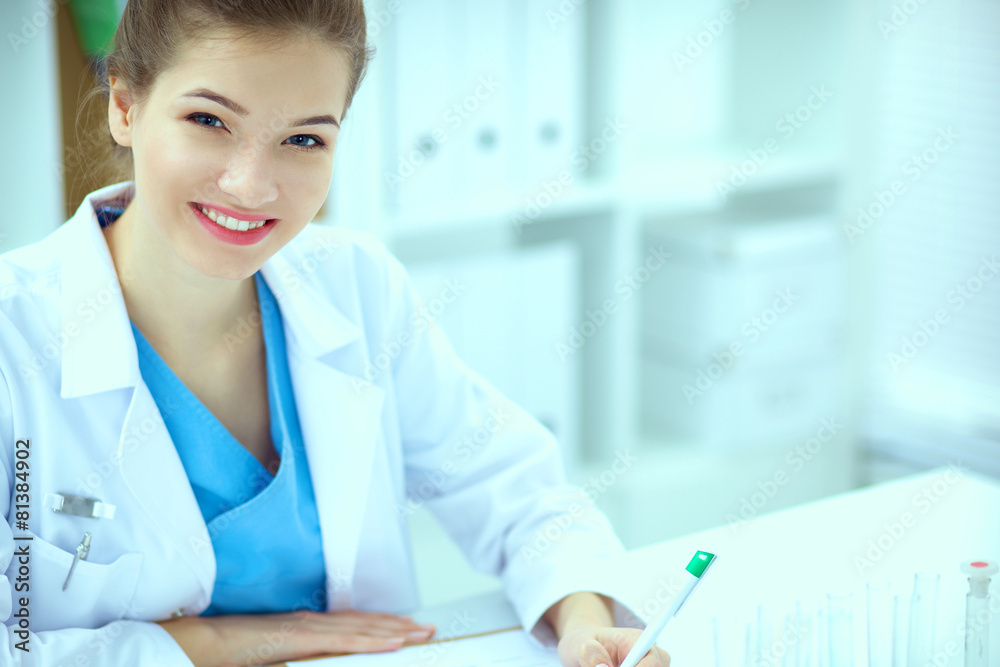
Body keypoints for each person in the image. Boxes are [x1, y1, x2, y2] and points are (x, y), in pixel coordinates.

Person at [0, 1, 670, 665]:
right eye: (208, 120)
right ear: (125, 104)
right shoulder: (13, 335)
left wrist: (584, 619)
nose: (250, 185)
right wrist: (208, 645)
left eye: (303, 139)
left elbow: (517, 491)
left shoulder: (357, 286)